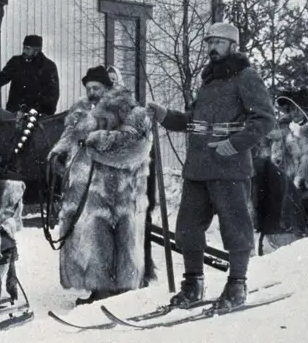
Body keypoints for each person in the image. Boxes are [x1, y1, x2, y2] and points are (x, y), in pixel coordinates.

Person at [147, 22, 276, 310]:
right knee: (187, 230)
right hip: (198, 168)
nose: (212, 48)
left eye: (219, 42)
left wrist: (235, 144)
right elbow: (193, 121)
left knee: (235, 228)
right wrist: (165, 115)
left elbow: (265, 119)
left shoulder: (246, 77)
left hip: (230, 168)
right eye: (209, 43)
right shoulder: (209, 81)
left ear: (233, 45)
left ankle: (236, 286)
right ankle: (193, 285)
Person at [48, 65, 154, 305]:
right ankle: (98, 287)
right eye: (88, 88)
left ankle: (117, 289)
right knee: (88, 236)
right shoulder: (80, 111)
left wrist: (97, 139)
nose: (92, 92)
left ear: (108, 88)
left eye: (96, 88)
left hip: (117, 190)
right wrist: (59, 152)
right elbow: (69, 137)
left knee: (116, 237)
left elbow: (135, 145)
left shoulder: (130, 110)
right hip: (84, 190)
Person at [0, 34, 60, 115]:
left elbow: (53, 93)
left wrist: (42, 111)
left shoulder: (48, 67)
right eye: (24, 48)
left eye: (28, 49)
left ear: (37, 51)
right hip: (14, 113)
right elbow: (2, 77)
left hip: (36, 115)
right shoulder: (16, 62)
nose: (24, 51)